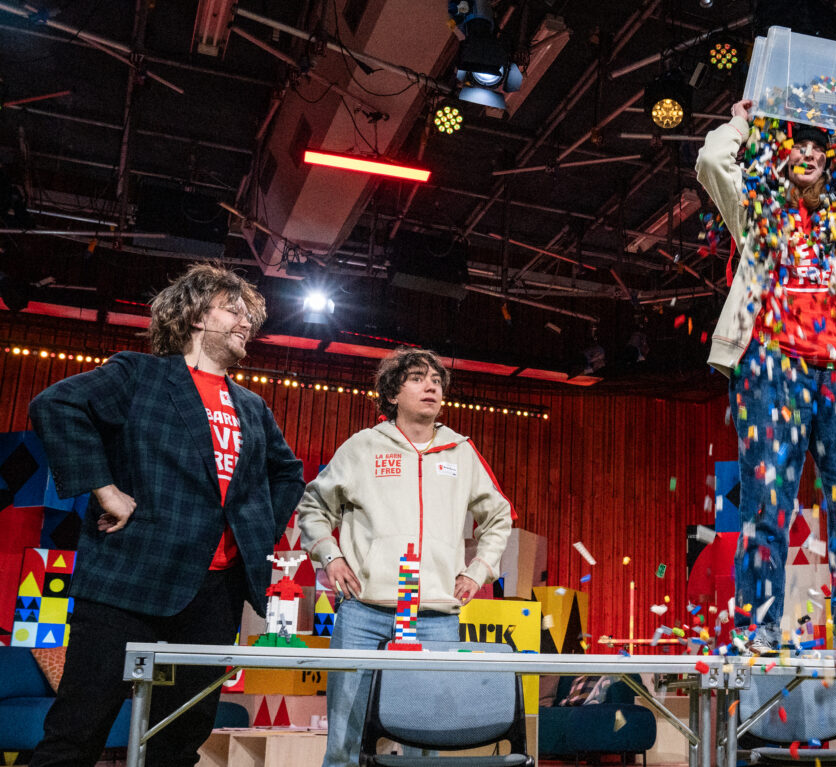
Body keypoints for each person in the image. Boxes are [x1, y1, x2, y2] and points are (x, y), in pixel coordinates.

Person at [27, 262, 305, 766]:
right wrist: (105, 489)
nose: (246, 322)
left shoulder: (253, 406)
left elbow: (288, 474)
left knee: (179, 740)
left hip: (213, 596)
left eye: (250, 315)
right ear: (196, 316)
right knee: (77, 731)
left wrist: (254, 531)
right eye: (233, 309)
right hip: (127, 583)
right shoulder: (140, 374)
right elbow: (57, 406)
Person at [697, 99, 836, 658]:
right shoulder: (758, 212)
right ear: (781, 155)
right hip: (770, 366)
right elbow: (710, 162)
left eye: (818, 146)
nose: (806, 152)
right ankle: (758, 631)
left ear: (833, 158)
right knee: (766, 503)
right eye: (796, 144)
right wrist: (743, 123)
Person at [297, 347, 513, 767]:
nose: (431, 385)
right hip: (364, 613)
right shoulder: (363, 446)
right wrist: (330, 556)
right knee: (345, 737)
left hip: (435, 616)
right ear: (393, 393)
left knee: (427, 740)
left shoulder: (461, 452)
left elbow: (498, 517)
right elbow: (313, 507)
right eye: (417, 378)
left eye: (436, 380)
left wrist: (479, 571)